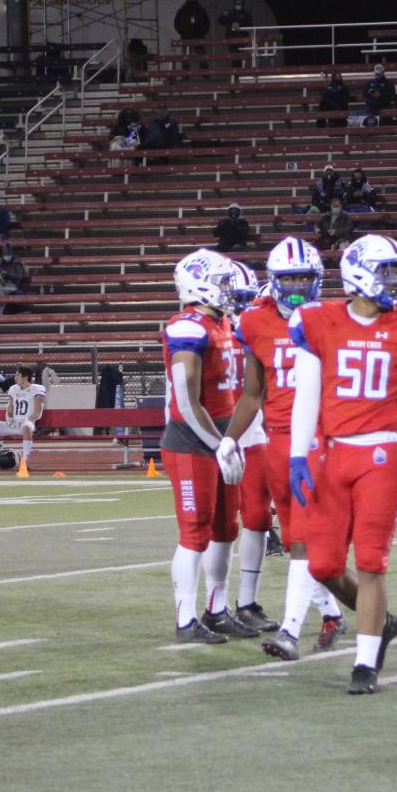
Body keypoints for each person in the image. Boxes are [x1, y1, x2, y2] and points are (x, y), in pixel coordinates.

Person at [287, 234, 397, 695]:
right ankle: (381, 623)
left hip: (383, 450)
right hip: (334, 453)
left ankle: (366, 662)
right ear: (357, 274)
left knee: (372, 561)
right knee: (323, 564)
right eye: (386, 271)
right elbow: (307, 396)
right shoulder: (319, 320)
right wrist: (297, 454)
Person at [219, 239, 355, 655]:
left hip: (323, 439)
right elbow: (252, 392)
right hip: (280, 439)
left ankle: (293, 629)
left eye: (304, 277)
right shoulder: (255, 322)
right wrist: (229, 437)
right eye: (289, 278)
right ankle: (343, 614)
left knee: (307, 540)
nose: (297, 286)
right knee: (299, 537)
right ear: (274, 281)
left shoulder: (334, 318)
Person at [158, 250, 257, 644]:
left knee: (225, 530)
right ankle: (186, 618)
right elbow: (185, 401)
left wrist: (232, 441)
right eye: (222, 283)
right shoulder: (187, 327)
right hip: (192, 440)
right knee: (195, 532)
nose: (228, 291)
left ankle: (217, 609)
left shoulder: (224, 322)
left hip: (223, 438)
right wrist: (220, 445)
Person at [0, 364, 43, 471]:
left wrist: (27, 420)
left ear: (25, 377)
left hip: (27, 423)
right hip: (13, 423)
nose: (15, 378)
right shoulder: (13, 389)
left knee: (27, 428)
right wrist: (9, 419)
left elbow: (38, 413)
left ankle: (24, 461)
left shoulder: (37, 389)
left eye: (17, 375)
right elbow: (10, 407)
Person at [0, 243, 30, 316]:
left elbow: (20, 276)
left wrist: (8, 274)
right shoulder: (0, 262)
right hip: (1, 285)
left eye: (8, 254)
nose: (7, 256)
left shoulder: (17, 262)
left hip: (13, 286)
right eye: (5, 254)